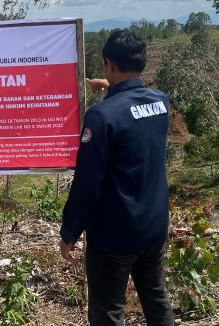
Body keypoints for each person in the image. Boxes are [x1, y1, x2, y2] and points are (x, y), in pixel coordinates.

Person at [59, 29, 174, 326]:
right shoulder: (161, 103)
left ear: (109, 63)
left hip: (115, 235)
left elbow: (88, 182)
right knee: (155, 297)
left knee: (108, 311)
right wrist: (111, 89)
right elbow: (133, 110)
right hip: (154, 227)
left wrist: (70, 231)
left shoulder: (102, 117)